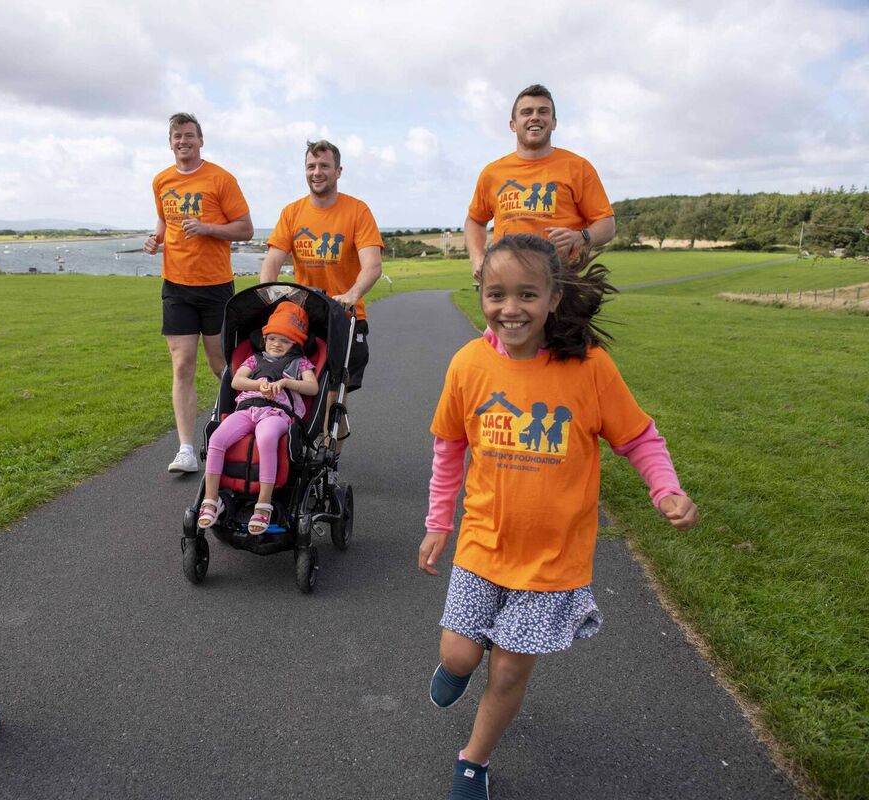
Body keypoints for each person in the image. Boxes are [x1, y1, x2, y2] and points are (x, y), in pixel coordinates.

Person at [417, 234, 698, 800]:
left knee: (510, 672)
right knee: (460, 653)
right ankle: (460, 662)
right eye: (496, 294)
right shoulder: (468, 364)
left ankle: (474, 759)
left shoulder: (588, 367)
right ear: (480, 293)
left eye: (527, 293)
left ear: (553, 297)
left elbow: (638, 436)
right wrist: (438, 522)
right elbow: (449, 446)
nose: (510, 308)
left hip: (552, 561)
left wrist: (664, 488)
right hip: (483, 545)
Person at [144, 112, 254, 474]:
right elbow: (165, 221)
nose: (183, 141)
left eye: (189, 135)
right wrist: (156, 238)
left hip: (216, 285)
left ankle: (247, 425)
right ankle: (186, 449)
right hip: (176, 285)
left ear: (200, 140)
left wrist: (207, 228)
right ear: (170, 142)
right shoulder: (161, 181)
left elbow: (246, 229)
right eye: (176, 136)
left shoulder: (221, 179)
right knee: (181, 365)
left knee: (220, 365)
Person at [259, 140, 383, 447]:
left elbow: (372, 265)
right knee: (294, 381)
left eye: (324, 166)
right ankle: (293, 443)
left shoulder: (357, 211)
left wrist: (352, 294)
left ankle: (329, 455)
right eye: (311, 167)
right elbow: (273, 261)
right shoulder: (292, 213)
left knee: (332, 389)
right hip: (304, 313)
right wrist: (268, 295)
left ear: (338, 171)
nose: (317, 172)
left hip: (344, 313)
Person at [465, 84, 616, 280]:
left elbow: (607, 225)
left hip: (561, 280)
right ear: (513, 124)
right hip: (506, 278)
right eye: (526, 112)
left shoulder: (578, 167)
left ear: (553, 122)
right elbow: (475, 220)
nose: (535, 117)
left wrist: (580, 237)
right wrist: (477, 257)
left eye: (543, 111)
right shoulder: (492, 173)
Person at [197, 301, 319, 534]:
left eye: (284, 340)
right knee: (217, 438)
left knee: (266, 439)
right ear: (264, 339)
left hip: (277, 412)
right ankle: (211, 500)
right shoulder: (254, 359)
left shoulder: (299, 363)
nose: (276, 344)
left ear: (295, 343)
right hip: (247, 408)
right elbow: (236, 381)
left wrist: (285, 383)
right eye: (272, 338)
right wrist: (258, 383)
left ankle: (263, 505)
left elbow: (312, 387)